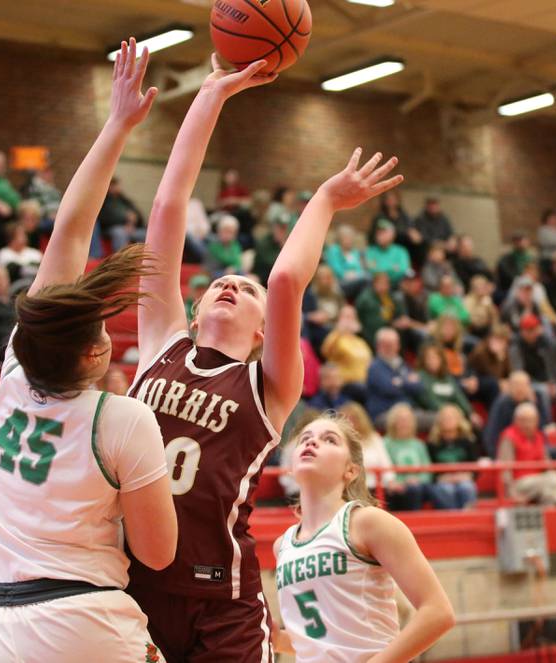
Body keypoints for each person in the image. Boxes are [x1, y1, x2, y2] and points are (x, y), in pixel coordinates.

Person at [125, 50, 404, 662]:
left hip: (223, 595)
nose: (231, 285)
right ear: (193, 311)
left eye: (243, 288)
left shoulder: (269, 384)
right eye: (219, 282)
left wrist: (327, 199)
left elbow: (283, 280)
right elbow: (169, 208)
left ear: (261, 332)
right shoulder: (160, 343)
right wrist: (212, 95)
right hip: (131, 586)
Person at [0, 39, 177, 662]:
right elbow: (158, 553)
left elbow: (69, 230)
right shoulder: (122, 419)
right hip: (80, 618)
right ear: (90, 357)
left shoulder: (13, 370)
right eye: (105, 335)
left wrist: (114, 124)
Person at [274, 413, 455, 663]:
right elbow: (321, 641)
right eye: (305, 438)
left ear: (351, 470)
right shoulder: (282, 545)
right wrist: (275, 637)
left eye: (329, 440)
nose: (312, 442)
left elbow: (439, 612)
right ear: (291, 467)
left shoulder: (367, 522)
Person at [497, 403, 556, 506]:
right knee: (553, 481)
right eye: (523, 420)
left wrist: (552, 473)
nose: (527, 424)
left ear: (537, 421)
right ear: (515, 420)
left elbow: (547, 463)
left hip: (540, 482)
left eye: (531, 420)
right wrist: (512, 494)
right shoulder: (509, 437)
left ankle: (553, 512)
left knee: (554, 479)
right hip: (520, 483)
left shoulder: (538, 436)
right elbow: (505, 470)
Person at [365, 328, 421, 427]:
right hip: (383, 413)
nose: (389, 347)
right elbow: (388, 389)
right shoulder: (375, 367)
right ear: (378, 346)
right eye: (385, 344)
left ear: (398, 345)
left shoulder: (402, 364)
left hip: (406, 411)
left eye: (392, 344)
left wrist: (399, 382)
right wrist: (407, 382)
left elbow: (418, 386)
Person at [426, 405, 479, 510]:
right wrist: (440, 478)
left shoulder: (469, 441)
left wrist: (467, 475)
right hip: (442, 480)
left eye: (451, 418)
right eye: (445, 418)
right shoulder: (432, 443)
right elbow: (429, 465)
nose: (448, 421)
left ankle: (466, 517)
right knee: (445, 489)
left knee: (467, 487)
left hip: (464, 478)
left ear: (459, 420)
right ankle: (456, 519)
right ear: (439, 421)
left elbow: (475, 466)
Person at [415, 344, 480, 428]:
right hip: (435, 413)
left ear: (441, 360)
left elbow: (458, 396)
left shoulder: (447, 378)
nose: (432, 361)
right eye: (429, 358)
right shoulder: (421, 377)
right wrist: (451, 412)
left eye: (435, 358)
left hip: (454, 413)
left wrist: (470, 413)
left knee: (475, 425)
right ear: (423, 361)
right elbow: (430, 401)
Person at [382, 404, 433, 511]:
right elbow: (384, 467)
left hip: (418, 485)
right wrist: (402, 481)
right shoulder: (385, 443)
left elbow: (427, 471)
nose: (404, 423)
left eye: (407, 420)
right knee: (412, 490)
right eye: (401, 420)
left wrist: (417, 479)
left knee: (435, 490)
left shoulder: (419, 444)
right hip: (396, 486)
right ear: (393, 422)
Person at [339, 402, 395, 495]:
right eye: (346, 419)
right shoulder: (340, 440)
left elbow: (385, 461)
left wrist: (390, 481)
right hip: (350, 487)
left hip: (376, 486)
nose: (350, 423)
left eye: (354, 419)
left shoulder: (374, 438)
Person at [321, 305, 373, 394]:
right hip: (345, 384)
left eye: (352, 317)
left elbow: (370, 361)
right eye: (346, 317)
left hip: (364, 382)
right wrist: (339, 331)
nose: (349, 320)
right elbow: (326, 351)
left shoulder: (360, 341)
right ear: (339, 319)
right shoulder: (335, 337)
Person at [355, 271, 407, 348]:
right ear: (374, 284)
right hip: (372, 333)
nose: (384, 286)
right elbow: (374, 323)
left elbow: (400, 312)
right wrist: (393, 323)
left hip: (390, 327)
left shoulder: (389, 296)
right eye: (381, 283)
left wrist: (402, 319)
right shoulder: (366, 299)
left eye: (386, 283)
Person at [97, 176, 146, 254]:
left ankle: (142, 258)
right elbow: (103, 219)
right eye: (114, 185)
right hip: (112, 228)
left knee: (145, 233)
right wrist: (125, 220)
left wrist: (133, 222)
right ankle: (121, 258)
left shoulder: (124, 199)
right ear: (109, 186)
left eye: (117, 185)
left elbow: (137, 214)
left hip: (131, 228)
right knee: (120, 233)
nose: (117, 187)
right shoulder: (103, 200)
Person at [324, 224, 370, 299]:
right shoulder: (334, 250)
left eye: (351, 238)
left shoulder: (355, 252)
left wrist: (355, 275)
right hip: (340, 282)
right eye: (346, 238)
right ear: (340, 238)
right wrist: (345, 274)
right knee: (366, 280)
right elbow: (335, 269)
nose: (349, 240)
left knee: (367, 278)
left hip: (356, 280)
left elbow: (360, 269)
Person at [365, 219, 410, 286]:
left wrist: (380, 271)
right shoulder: (370, 251)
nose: (379, 235)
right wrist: (392, 269)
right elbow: (370, 270)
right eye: (378, 232)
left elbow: (403, 270)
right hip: (375, 286)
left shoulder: (401, 251)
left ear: (393, 234)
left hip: (396, 286)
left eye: (383, 232)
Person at [251, 215, 289, 284]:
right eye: (279, 228)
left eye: (283, 229)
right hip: (261, 275)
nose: (281, 231)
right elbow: (269, 262)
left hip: (278, 278)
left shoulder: (288, 242)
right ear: (274, 228)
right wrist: (282, 249)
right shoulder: (264, 242)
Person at [497, 231, 533, 297]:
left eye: (523, 240)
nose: (521, 243)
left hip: (530, 287)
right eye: (518, 240)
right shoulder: (505, 260)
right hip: (511, 289)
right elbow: (507, 278)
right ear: (514, 242)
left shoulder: (532, 259)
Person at [25, 166, 62, 232]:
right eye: (46, 172)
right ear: (39, 173)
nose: (50, 174)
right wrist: (49, 214)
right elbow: (35, 206)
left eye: (50, 172)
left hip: (58, 215)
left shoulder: (51, 187)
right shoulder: (36, 187)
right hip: (45, 218)